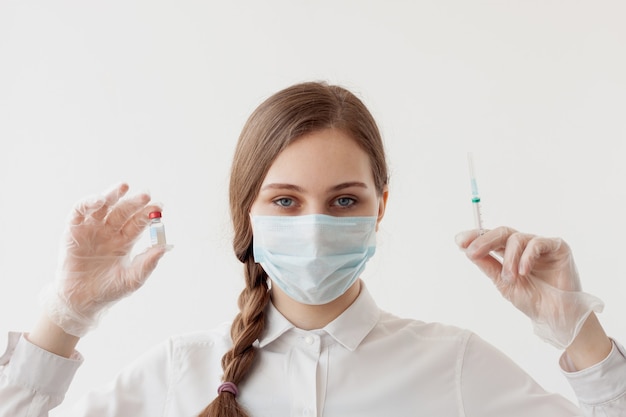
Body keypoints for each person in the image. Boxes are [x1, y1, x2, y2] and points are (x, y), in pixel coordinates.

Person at [0, 82, 624, 417]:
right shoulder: (178, 373)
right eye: (286, 201)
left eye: (346, 201)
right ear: (246, 209)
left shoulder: (454, 367)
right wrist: (65, 313)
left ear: (382, 205)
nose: (317, 224)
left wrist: (577, 328)